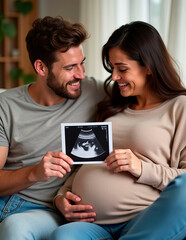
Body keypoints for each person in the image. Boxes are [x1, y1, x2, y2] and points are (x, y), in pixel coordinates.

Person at [50, 21, 186, 240]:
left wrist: (141, 168)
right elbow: (85, 163)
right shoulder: (112, 105)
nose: (114, 77)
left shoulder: (181, 107)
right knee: (63, 237)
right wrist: (61, 197)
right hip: (92, 223)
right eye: (112, 68)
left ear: (149, 66)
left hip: (143, 218)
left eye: (122, 69)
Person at [0, 16, 106, 240]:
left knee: (15, 228)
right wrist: (33, 173)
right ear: (41, 67)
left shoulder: (95, 92)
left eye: (82, 63)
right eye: (70, 67)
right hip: (10, 201)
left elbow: (155, 93)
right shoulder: (6, 106)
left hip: (53, 210)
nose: (81, 74)